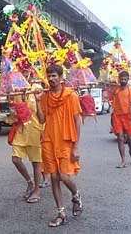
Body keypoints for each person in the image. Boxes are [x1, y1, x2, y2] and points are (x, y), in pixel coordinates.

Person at [36, 64, 83, 227]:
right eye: (49, 76)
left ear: (61, 77)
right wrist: (37, 102)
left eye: (54, 75)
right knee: (54, 177)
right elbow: (41, 120)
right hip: (49, 140)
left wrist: (76, 146)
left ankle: (76, 195)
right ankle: (61, 213)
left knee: (64, 176)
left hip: (66, 140)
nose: (51, 79)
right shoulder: (44, 97)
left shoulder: (71, 96)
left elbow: (78, 121)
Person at [6, 82, 45, 203]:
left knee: (36, 162)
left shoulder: (37, 88)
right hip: (20, 131)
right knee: (15, 159)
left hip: (35, 130)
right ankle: (30, 182)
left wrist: (38, 101)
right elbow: (13, 112)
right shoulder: (16, 88)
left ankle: (37, 190)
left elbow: (42, 118)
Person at [111, 71, 131, 168]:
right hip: (117, 117)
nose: (123, 81)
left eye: (125, 79)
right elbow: (112, 103)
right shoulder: (116, 90)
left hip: (128, 117)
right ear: (119, 79)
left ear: (127, 80)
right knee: (120, 138)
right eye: (121, 79)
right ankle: (123, 160)